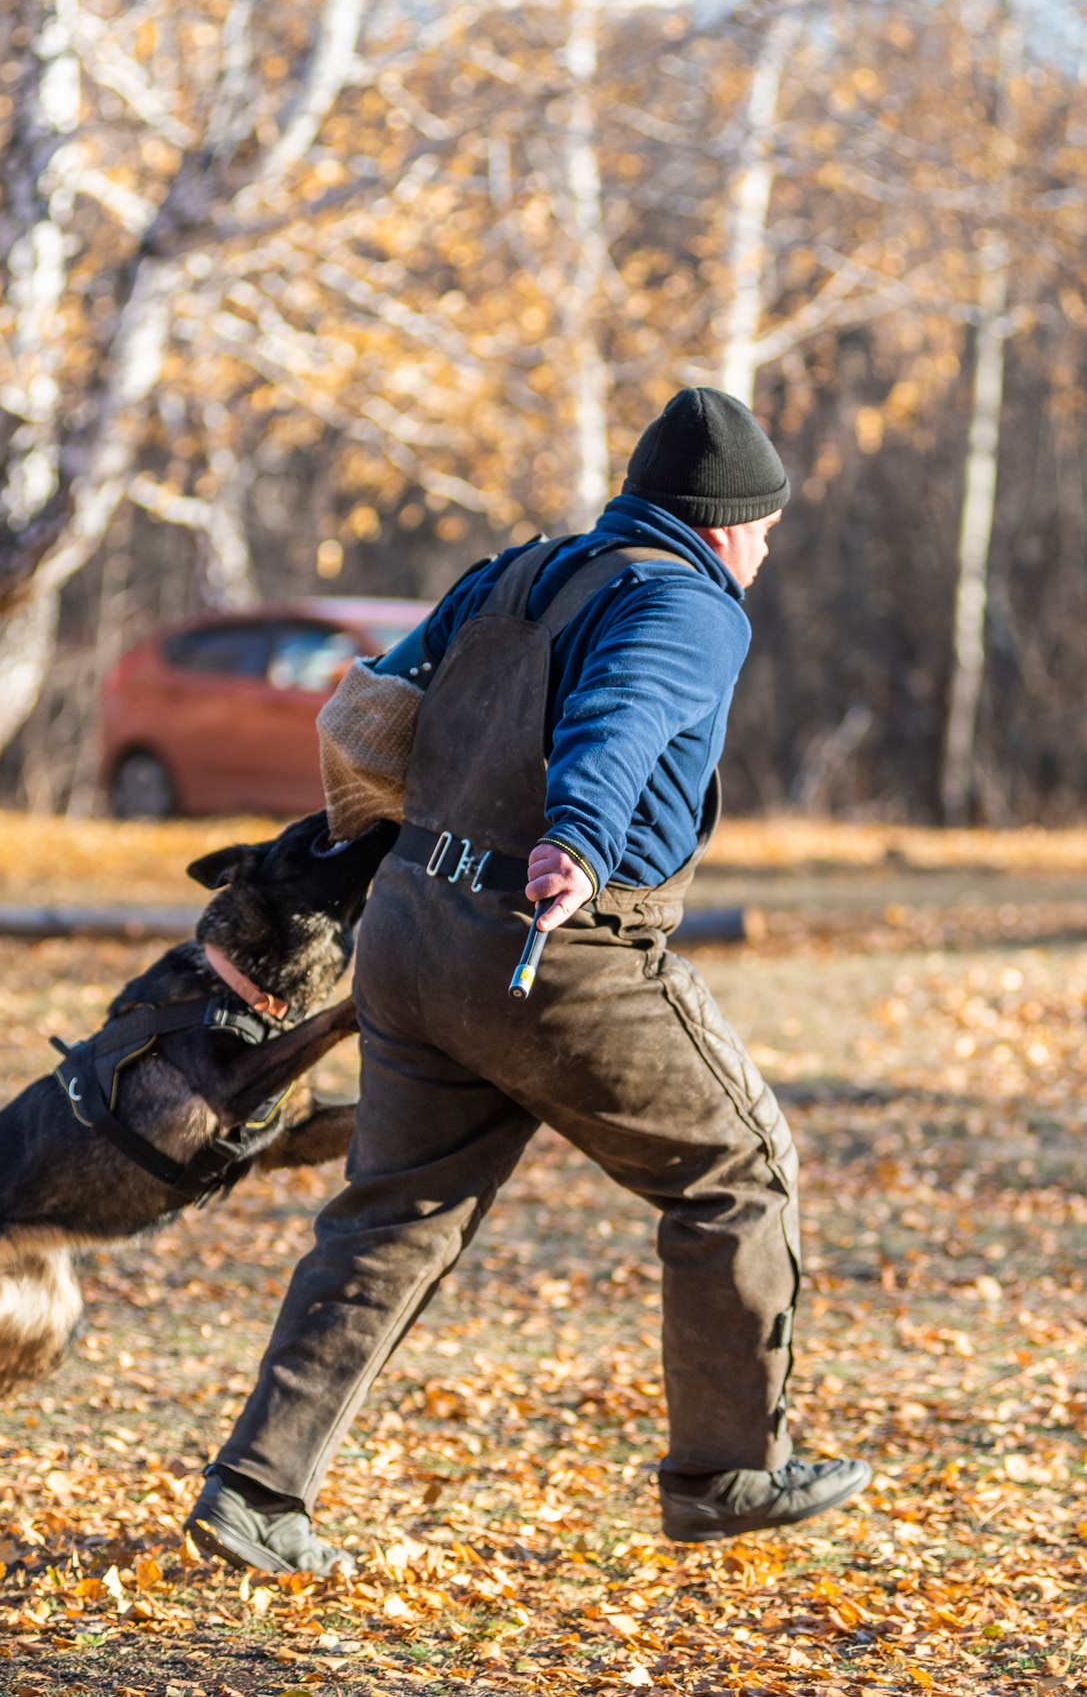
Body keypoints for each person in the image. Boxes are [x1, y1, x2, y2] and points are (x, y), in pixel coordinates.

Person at [185, 387, 870, 1573]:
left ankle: (254, 1492)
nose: (764, 551)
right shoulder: (685, 602)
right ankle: (726, 1470)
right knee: (740, 1173)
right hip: (553, 947)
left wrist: (377, 848)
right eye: (762, 529)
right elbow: (622, 715)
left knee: (391, 1218)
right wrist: (580, 838)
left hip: (410, 932)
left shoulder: (516, 573)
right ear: (720, 524)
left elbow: (371, 710)